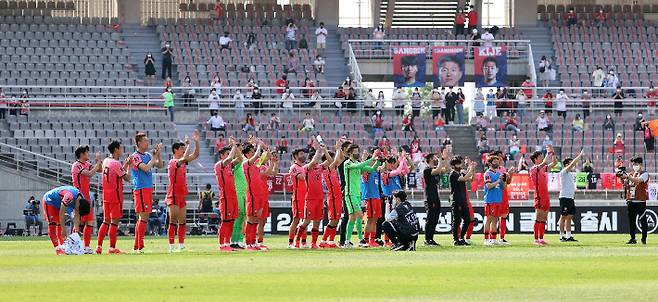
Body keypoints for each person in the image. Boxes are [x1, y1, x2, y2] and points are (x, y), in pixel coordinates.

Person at [165, 129, 200, 252]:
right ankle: (171, 245)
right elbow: (184, 159)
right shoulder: (173, 162)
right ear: (175, 150)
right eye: (182, 149)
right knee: (173, 220)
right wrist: (189, 145)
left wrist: (196, 142)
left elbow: (195, 155)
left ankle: (181, 244)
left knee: (183, 221)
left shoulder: (183, 162)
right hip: (173, 194)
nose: (184, 151)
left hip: (181, 194)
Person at [96, 140, 134, 254]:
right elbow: (126, 178)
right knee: (114, 222)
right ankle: (112, 248)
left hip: (106, 196)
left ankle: (99, 246)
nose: (122, 150)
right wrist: (130, 166)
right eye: (120, 148)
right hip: (115, 196)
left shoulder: (107, 161)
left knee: (105, 221)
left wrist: (126, 164)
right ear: (116, 149)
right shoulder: (116, 163)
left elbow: (116, 172)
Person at [342, 144, 381, 248]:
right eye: (355, 151)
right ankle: (361, 240)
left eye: (357, 150)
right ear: (350, 153)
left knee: (352, 217)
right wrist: (372, 158)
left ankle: (347, 241)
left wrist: (378, 161)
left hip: (357, 194)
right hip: (350, 193)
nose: (357, 153)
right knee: (359, 215)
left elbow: (371, 169)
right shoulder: (347, 163)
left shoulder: (358, 163)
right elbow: (358, 166)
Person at [130, 133, 164, 253]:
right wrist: (154, 157)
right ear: (139, 143)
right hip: (140, 188)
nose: (147, 143)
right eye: (145, 141)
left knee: (144, 216)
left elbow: (160, 165)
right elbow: (145, 168)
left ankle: (138, 245)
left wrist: (158, 154)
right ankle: (138, 245)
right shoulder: (135, 156)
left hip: (147, 188)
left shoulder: (149, 155)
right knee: (143, 216)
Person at [294, 143, 327, 249]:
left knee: (317, 222)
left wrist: (325, 150)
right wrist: (318, 150)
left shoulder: (320, 168)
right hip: (310, 198)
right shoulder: (306, 168)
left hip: (319, 198)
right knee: (306, 221)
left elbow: (332, 162)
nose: (317, 160)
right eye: (315, 158)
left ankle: (313, 243)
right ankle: (297, 241)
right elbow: (313, 162)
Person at [42, 186, 91, 255]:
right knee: (52, 224)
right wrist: (63, 229)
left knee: (59, 224)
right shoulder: (69, 197)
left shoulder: (80, 200)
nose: (76, 210)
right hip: (50, 201)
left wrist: (77, 231)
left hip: (59, 203)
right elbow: (62, 213)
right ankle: (57, 248)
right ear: (79, 204)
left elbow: (77, 214)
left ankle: (64, 247)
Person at [71, 145, 102, 253]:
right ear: (82, 154)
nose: (88, 154)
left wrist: (99, 161)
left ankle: (86, 246)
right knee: (78, 222)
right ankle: (75, 245)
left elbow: (100, 170)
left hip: (87, 197)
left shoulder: (87, 164)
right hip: (78, 197)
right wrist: (97, 164)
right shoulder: (76, 165)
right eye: (87, 152)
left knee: (89, 221)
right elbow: (89, 174)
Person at [214, 138, 240, 251]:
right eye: (227, 154)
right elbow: (230, 159)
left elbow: (239, 158)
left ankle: (227, 243)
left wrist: (236, 147)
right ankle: (221, 244)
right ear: (221, 156)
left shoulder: (229, 166)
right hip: (226, 197)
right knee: (225, 221)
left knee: (231, 221)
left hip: (233, 196)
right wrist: (233, 146)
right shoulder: (220, 165)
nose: (229, 155)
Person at [319, 141, 347, 248]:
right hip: (333, 196)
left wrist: (339, 150)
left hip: (337, 195)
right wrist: (336, 148)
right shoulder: (327, 170)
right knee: (332, 220)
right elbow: (334, 160)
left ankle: (331, 241)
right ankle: (323, 240)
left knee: (336, 219)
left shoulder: (333, 169)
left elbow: (341, 160)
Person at [529, 148, 558, 246]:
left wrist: (553, 154)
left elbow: (554, 163)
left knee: (544, 218)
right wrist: (548, 152)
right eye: (540, 157)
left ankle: (541, 238)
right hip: (539, 195)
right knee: (538, 217)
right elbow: (545, 162)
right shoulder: (533, 169)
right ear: (536, 159)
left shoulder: (542, 168)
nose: (542, 158)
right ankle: (535, 239)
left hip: (546, 195)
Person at [620, 157, 649, 245]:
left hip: (640, 201)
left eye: (636, 164)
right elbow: (626, 185)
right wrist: (622, 179)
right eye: (633, 164)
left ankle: (644, 238)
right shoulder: (631, 174)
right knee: (631, 221)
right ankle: (633, 238)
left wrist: (628, 177)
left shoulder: (644, 174)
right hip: (631, 200)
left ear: (641, 164)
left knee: (643, 220)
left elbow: (638, 180)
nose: (634, 166)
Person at [423, 153, 448, 246]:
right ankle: (427, 239)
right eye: (434, 158)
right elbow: (437, 170)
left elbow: (446, 169)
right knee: (430, 218)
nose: (435, 159)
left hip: (436, 196)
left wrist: (445, 160)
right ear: (430, 160)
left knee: (435, 219)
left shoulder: (434, 169)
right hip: (429, 197)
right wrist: (440, 160)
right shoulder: (427, 170)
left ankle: (431, 239)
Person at [559, 150, 584, 242]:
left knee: (569, 216)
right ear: (566, 164)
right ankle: (562, 236)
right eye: (570, 163)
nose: (572, 165)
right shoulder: (563, 172)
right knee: (563, 216)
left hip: (570, 198)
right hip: (564, 197)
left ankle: (569, 235)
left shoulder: (570, 174)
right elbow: (573, 164)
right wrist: (580, 155)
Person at [483, 156, 507, 246]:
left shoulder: (499, 173)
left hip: (498, 200)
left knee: (495, 220)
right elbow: (488, 186)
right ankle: (486, 240)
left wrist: (503, 180)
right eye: (494, 161)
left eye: (497, 161)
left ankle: (493, 239)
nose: (497, 162)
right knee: (489, 219)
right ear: (490, 163)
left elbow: (504, 188)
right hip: (490, 200)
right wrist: (498, 180)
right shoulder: (487, 173)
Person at [287, 148, 308, 248]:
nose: (303, 155)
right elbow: (302, 178)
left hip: (305, 197)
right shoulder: (294, 167)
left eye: (304, 153)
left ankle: (303, 242)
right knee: (296, 220)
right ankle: (291, 242)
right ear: (296, 156)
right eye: (301, 154)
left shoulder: (303, 168)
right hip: (297, 197)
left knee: (305, 219)